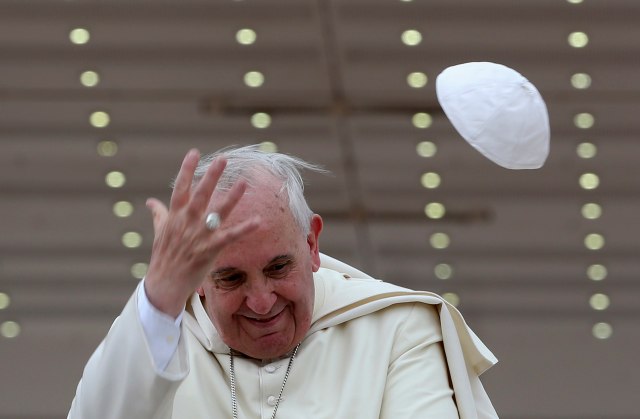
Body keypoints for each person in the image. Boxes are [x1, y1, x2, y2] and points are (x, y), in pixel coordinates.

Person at [68, 145, 499, 419]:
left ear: (312, 244)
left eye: (278, 268)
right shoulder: (156, 344)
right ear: (198, 278)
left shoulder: (399, 330)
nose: (260, 300)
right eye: (231, 278)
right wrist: (159, 300)